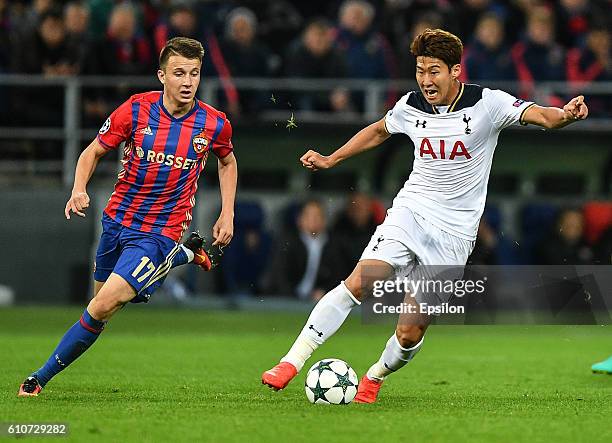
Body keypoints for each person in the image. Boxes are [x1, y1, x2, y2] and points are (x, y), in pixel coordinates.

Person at [262, 28, 589, 403]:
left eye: (434, 71)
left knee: (409, 333)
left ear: (455, 71)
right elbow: (379, 131)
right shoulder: (410, 105)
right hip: (411, 212)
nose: (426, 79)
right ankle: (291, 361)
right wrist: (332, 158)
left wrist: (565, 114)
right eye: (420, 70)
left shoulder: (488, 103)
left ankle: (374, 375)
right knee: (359, 283)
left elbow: (542, 117)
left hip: (455, 234)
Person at [18, 37, 238, 397]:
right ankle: (184, 254)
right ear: (161, 76)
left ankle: (38, 379)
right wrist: (78, 189)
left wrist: (227, 212)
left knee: (103, 305)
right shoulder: (136, 110)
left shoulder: (214, 124)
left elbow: (228, 162)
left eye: (195, 74)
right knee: (104, 303)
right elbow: (92, 152)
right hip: (117, 221)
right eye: (179, 73)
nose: (187, 82)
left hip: (160, 230)